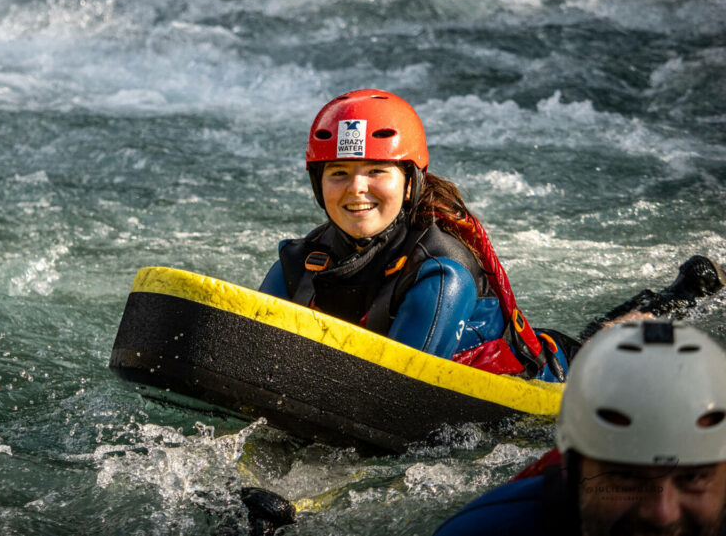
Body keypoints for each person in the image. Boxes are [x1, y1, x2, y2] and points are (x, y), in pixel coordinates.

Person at [259, 89, 723, 382]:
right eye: (338, 173)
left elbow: (394, 392)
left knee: (607, 345)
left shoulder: (442, 272)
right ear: (317, 184)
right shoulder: (301, 261)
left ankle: (675, 300)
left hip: (550, 374)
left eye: (376, 171)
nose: (356, 189)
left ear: (410, 181)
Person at [433, 319, 726, 536]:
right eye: (625, 477)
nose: (662, 514)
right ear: (572, 469)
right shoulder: (485, 529)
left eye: (695, 477)